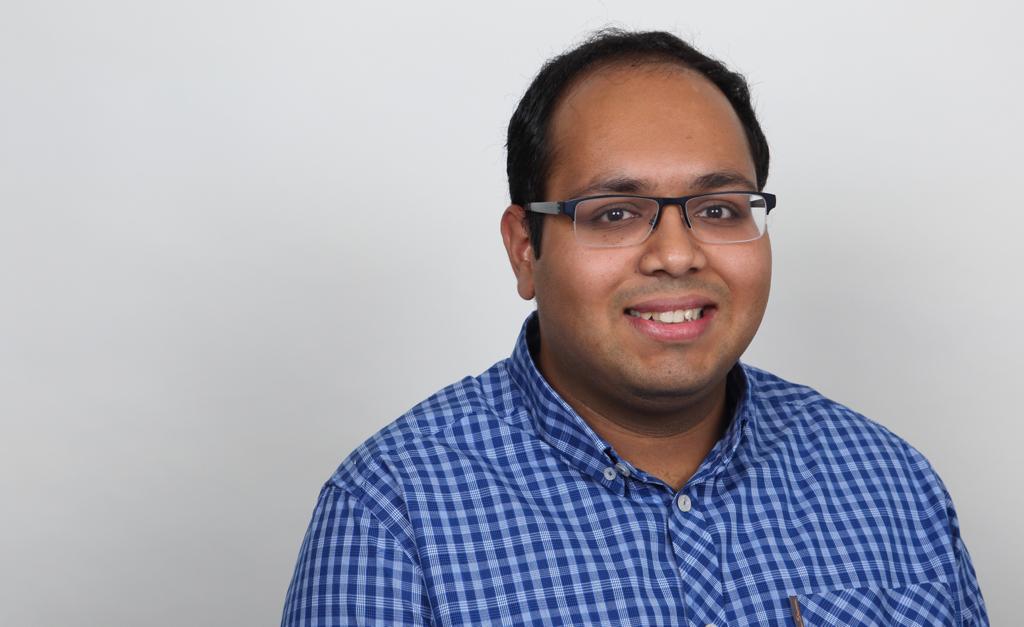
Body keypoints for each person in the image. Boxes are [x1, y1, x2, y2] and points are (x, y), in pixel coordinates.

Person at [281, 29, 987, 626]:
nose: (677, 255)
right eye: (615, 212)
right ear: (525, 248)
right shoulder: (393, 514)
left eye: (719, 209)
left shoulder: (891, 482)